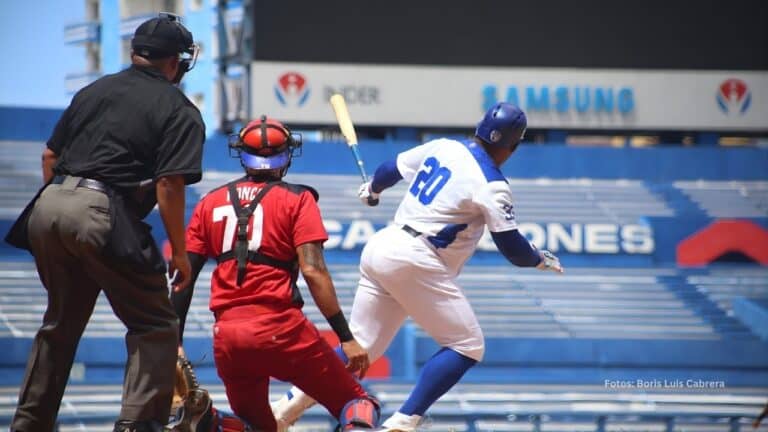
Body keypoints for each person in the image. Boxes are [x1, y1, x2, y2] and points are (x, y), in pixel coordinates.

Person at [272, 102, 564, 431]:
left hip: (384, 245)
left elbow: (389, 169)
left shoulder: (445, 146)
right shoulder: (492, 184)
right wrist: (540, 258)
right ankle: (404, 422)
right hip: (417, 258)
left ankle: (284, 411)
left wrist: (373, 189)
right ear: (513, 146)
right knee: (467, 346)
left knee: (361, 348)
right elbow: (513, 249)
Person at [6, 13, 205, 432]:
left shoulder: (93, 91)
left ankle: (29, 424)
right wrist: (181, 253)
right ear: (176, 62)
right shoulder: (179, 108)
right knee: (154, 323)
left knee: (59, 325)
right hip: (101, 212)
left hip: (48, 206)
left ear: (136, 53)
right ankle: (138, 424)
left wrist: (65, 206)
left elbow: (49, 157)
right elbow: (169, 183)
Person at [170, 116, 380, 431]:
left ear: (240, 153)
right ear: (287, 154)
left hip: (228, 337)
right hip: (281, 327)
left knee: (257, 427)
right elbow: (313, 270)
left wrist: (174, 341)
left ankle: (210, 421)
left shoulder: (208, 203)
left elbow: (182, 279)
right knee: (357, 402)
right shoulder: (298, 199)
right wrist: (346, 337)